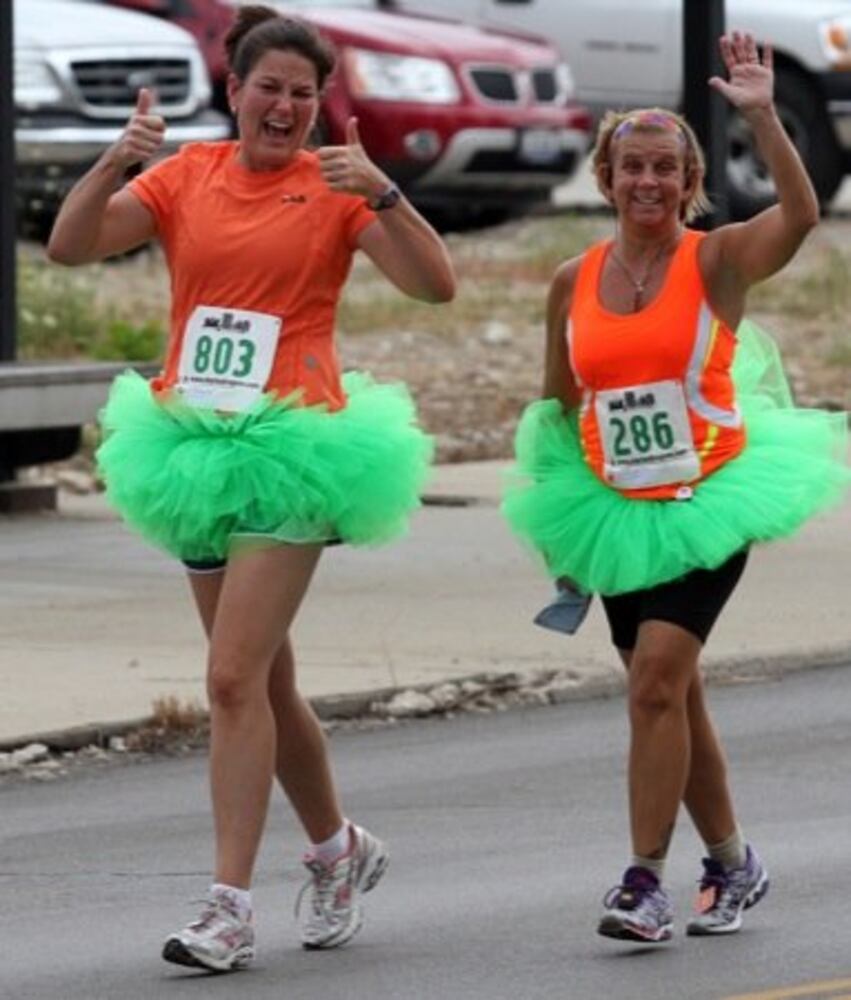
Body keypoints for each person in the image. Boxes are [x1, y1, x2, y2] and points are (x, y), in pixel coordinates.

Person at [48, 4, 455, 972]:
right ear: (232, 90)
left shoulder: (337, 187)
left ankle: (227, 906)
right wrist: (114, 158)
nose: (283, 107)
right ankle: (338, 850)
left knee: (229, 678)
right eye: (266, 88)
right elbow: (70, 245)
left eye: (301, 94)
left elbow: (433, 286)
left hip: (297, 448)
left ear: (320, 106)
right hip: (191, 445)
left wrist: (387, 193)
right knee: (265, 679)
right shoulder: (187, 174)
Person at [502, 31, 848, 943]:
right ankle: (734, 863)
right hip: (614, 509)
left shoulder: (716, 259)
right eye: (630, 167)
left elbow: (802, 217)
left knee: (655, 680)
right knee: (672, 697)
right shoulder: (572, 280)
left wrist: (763, 118)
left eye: (664, 168)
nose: (647, 182)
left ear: (688, 181)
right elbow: (555, 402)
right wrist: (559, 526)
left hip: (712, 496)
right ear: (605, 178)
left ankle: (642, 883)